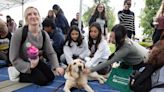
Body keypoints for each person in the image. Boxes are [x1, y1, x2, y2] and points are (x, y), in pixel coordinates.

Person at [8, 6, 64, 86]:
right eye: (29, 14)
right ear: (26, 19)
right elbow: (13, 57)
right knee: (42, 81)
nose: (33, 16)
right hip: (23, 63)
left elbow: (51, 53)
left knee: (51, 77)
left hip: (36, 61)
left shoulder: (44, 34)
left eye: (35, 14)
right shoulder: (19, 33)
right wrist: (29, 66)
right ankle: (16, 73)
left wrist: (57, 66)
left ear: (39, 16)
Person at [84, 24, 149, 74]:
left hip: (141, 63)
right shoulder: (122, 40)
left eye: (114, 38)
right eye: (111, 36)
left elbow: (109, 62)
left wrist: (90, 70)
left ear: (122, 38)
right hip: (129, 61)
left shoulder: (126, 47)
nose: (111, 40)